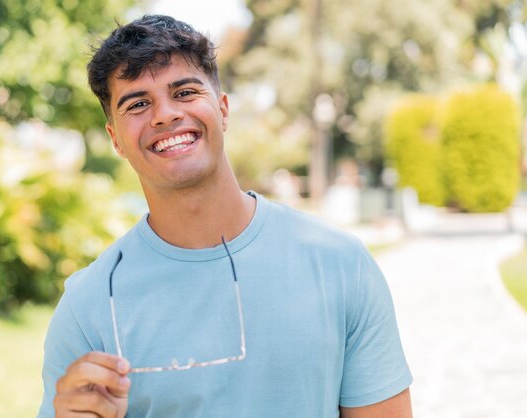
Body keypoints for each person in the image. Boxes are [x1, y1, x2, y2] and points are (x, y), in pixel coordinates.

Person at [38, 14, 413, 418]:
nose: (164, 114)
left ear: (223, 109)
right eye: (138, 103)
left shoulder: (341, 265)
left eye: (183, 92)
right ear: (116, 140)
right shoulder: (87, 306)